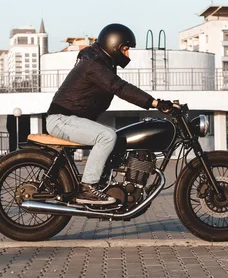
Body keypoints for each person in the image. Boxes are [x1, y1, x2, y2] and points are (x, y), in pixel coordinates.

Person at [46, 23, 174, 205]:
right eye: (125, 49)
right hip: (62, 119)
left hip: (68, 119)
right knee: (106, 136)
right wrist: (155, 103)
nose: (127, 54)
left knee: (116, 138)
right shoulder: (94, 64)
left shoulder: (100, 62)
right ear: (113, 45)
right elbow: (119, 87)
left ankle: (105, 183)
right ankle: (87, 188)